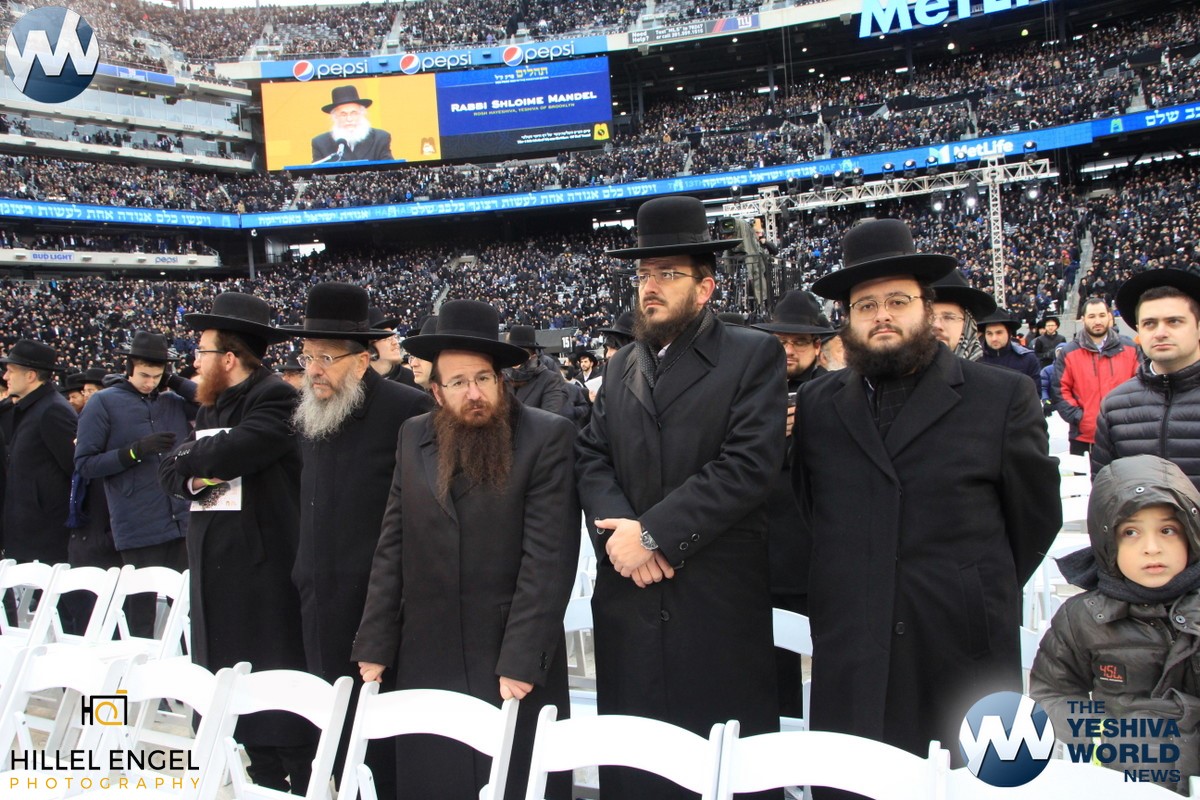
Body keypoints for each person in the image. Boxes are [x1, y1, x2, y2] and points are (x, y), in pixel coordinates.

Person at [792, 218, 1061, 775]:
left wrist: (970, 586)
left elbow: (1035, 517)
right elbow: (810, 508)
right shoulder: (818, 404)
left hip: (961, 641)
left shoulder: (1001, 396)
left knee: (969, 781)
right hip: (853, 639)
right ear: (847, 320)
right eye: (866, 305)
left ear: (926, 307)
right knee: (854, 779)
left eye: (897, 301)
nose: (882, 315)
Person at [576, 195, 785, 800]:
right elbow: (591, 456)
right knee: (637, 773)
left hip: (713, 610)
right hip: (631, 606)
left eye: (668, 273)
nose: (651, 286)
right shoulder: (622, 366)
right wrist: (624, 536)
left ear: (704, 288)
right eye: (644, 274)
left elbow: (747, 466)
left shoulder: (752, 354)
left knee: (721, 772)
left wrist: (653, 535)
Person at [353, 299, 579, 800]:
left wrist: (522, 659)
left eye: (483, 378)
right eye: (458, 382)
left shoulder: (547, 437)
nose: (473, 393)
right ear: (436, 391)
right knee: (434, 780)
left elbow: (549, 558)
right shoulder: (413, 435)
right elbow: (392, 541)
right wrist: (375, 640)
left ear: (501, 380)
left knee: (514, 781)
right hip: (425, 652)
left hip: (507, 656)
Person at [158, 293, 315, 794]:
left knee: (272, 671)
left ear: (228, 358)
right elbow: (173, 471)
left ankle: (299, 773)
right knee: (227, 674)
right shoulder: (213, 405)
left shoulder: (276, 397)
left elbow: (230, 453)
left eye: (201, 351)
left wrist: (194, 460)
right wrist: (196, 463)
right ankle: (259, 772)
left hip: (261, 565)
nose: (194, 361)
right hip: (213, 561)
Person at [282, 283, 433, 800]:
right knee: (334, 733)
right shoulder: (309, 410)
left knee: (383, 745)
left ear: (364, 359)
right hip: (317, 599)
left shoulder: (407, 410)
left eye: (327, 357)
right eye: (307, 356)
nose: (314, 369)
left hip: (380, 607)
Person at [1031, 455, 1200, 795]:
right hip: (1118, 780)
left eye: (1167, 530)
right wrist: (1102, 735)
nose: (1152, 548)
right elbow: (1051, 693)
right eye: (1130, 532)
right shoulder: (1082, 617)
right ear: (1108, 542)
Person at [75, 331, 195, 637]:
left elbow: (212, 401)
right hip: (138, 523)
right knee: (139, 617)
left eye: (157, 376)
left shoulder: (172, 400)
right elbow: (85, 463)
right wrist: (134, 452)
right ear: (129, 368)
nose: (150, 383)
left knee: (189, 610)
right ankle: (133, 668)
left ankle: (190, 666)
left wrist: (175, 380)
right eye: (144, 375)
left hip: (182, 520)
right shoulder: (103, 402)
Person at [751, 289, 833, 719]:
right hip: (763, 558)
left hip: (820, 558)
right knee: (770, 672)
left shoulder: (839, 393)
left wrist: (811, 428)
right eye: (781, 341)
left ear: (818, 347)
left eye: (799, 341)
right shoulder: (750, 393)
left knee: (834, 670)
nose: (789, 350)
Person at [1093, 269, 1200, 490]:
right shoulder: (1115, 407)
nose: (1160, 332)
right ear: (1139, 331)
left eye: (1174, 321)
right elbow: (1105, 494)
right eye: (1150, 323)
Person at [0, 341, 77, 569]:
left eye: (11, 371)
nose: (5, 377)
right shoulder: (27, 409)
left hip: (46, 539)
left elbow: (75, 468)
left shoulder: (53, 410)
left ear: (31, 376)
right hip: (25, 532)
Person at [1052, 297, 1139, 456]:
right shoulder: (1069, 353)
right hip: (1084, 436)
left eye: (1101, 315)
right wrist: (1079, 418)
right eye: (1092, 316)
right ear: (1083, 319)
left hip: (1126, 433)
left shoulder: (1131, 348)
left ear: (1109, 317)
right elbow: (1060, 390)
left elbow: (1141, 386)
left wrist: (1130, 416)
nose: (1097, 321)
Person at [311, 86, 393, 164]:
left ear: (362, 114)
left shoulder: (380, 138)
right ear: (335, 117)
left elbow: (390, 169)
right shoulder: (320, 143)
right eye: (343, 114)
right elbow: (316, 171)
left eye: (354, 113)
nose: (349, 119)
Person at [930, 268, 996, 361]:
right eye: (928, 317)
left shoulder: (988, 370)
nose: (936, 325)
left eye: (949, 317)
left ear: (968, 326)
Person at [503, 325, 568, 415]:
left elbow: (550, 416)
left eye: (519, 355)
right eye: (511, 354)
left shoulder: (549, 379)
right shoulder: (500, 378)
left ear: (532, 356)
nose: (514, 360)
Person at [977, 308, 1042, 383]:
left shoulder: (1027, 358)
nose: (994, 338)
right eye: (989, 333)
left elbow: (1035, 388)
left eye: (999, 333)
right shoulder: (975, 359)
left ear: (1009, 333)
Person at [367, 307, 415, 386]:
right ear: (370, 347)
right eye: (387, 339)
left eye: (395, 337)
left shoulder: (412, 380)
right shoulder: (355, 383)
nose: (395, 342)